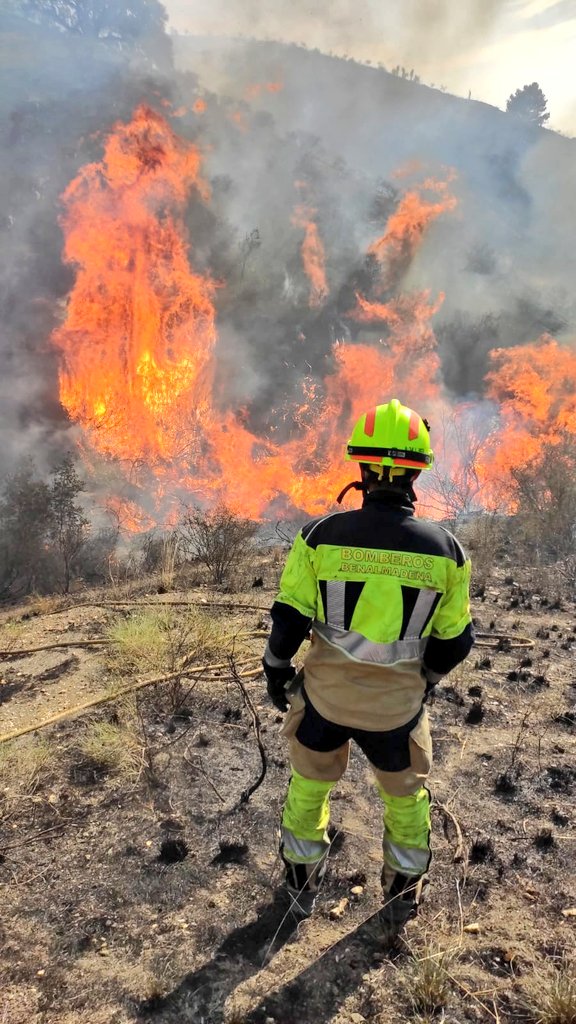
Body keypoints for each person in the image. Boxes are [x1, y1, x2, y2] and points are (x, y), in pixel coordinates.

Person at [262, 398, 474, 936]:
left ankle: (299, 887)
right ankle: (401, 898)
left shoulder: (319, 536)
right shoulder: (446, 552)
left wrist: (276, 669)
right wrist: (425, 679)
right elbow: (455, 642)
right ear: (417, 470)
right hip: (396, 712)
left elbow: (288, 620)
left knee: (308, 788)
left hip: (325, 703)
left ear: (362, 468)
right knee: (405, 800)